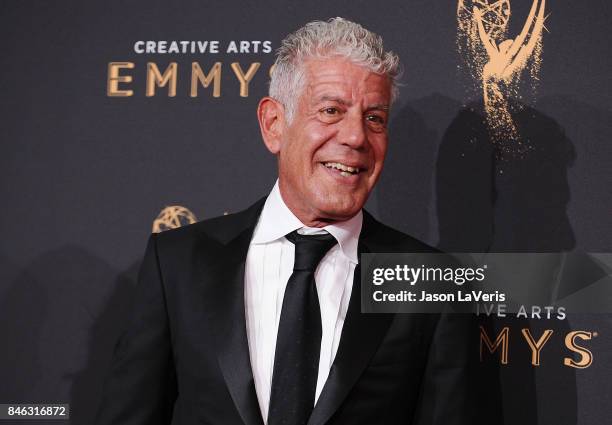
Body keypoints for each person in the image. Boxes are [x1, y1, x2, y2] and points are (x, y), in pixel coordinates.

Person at [95, 17, 477, 425]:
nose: (356, 137)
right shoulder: (179, 262)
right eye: (331, 111)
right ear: (274, 124)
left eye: (375, 119)